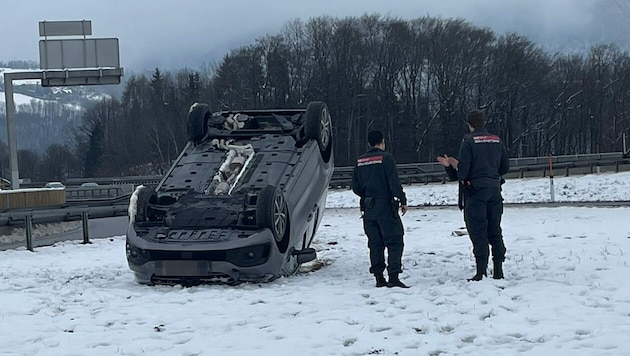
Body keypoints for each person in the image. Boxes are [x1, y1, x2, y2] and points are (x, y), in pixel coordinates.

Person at [437, 110, 509, 281]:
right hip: (494, 190)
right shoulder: (496, 140)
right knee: (495, 231)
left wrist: (451, 165)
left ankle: (480, 272)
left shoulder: (468, 141)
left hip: (475, 193)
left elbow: (463, 173)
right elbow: (504, 167)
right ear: (484, 122)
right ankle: (498, 269)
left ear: (469, 124)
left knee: (478, 231)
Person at [352, 130, 409, 288]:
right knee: (395, 241)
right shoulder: (386, 158)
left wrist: (366, 195)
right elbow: (394, 183)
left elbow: (355, 186)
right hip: (385, 205)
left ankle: (379, 277)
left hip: (368, 208)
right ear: (382, 142)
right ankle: (393, 276)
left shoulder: (360, 161)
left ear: (369, 143)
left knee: (375, 243)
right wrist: (402, 199)